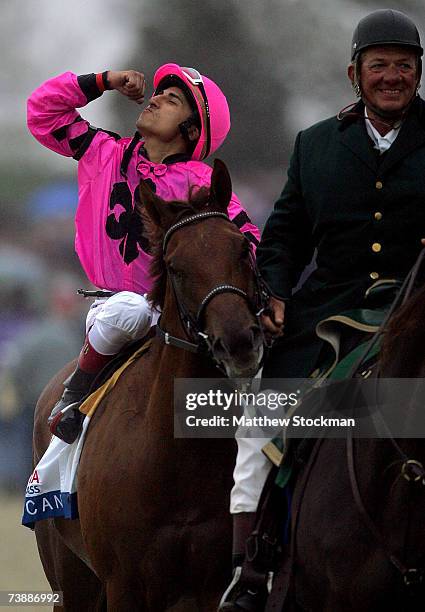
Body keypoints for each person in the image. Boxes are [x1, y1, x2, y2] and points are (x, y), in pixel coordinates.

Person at [220, 8, 425, 611]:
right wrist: (275, 291)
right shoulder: (314, 145)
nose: (393, 76)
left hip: (419, 308)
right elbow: (284, 237)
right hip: (327, 313)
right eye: (380, 65)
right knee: (262, 421)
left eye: (405, 66)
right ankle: (251, 570)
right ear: (354, 74)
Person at [27, 64, 260, 444]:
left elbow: (247, 240)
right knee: (129, 310)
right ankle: (71, 399)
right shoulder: (101, 151)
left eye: (171, 100)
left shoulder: (202, 182)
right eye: (158, 93)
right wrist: (102, 82)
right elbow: (42, 112)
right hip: (111, 309)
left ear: (192, 130)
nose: (154, 99)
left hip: (181, 315)